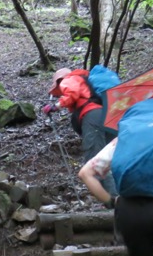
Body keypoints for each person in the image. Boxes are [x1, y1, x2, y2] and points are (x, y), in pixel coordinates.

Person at [42, 67, 116, 197]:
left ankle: (114, 200)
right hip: (108, 117)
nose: (59, 93)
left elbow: (72, 93)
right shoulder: (84, 81)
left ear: (59, 81)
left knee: (95, 160)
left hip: (92, 116)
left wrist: (56, 106)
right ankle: (123, 196)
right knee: (110, 158)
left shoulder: (69, 79)